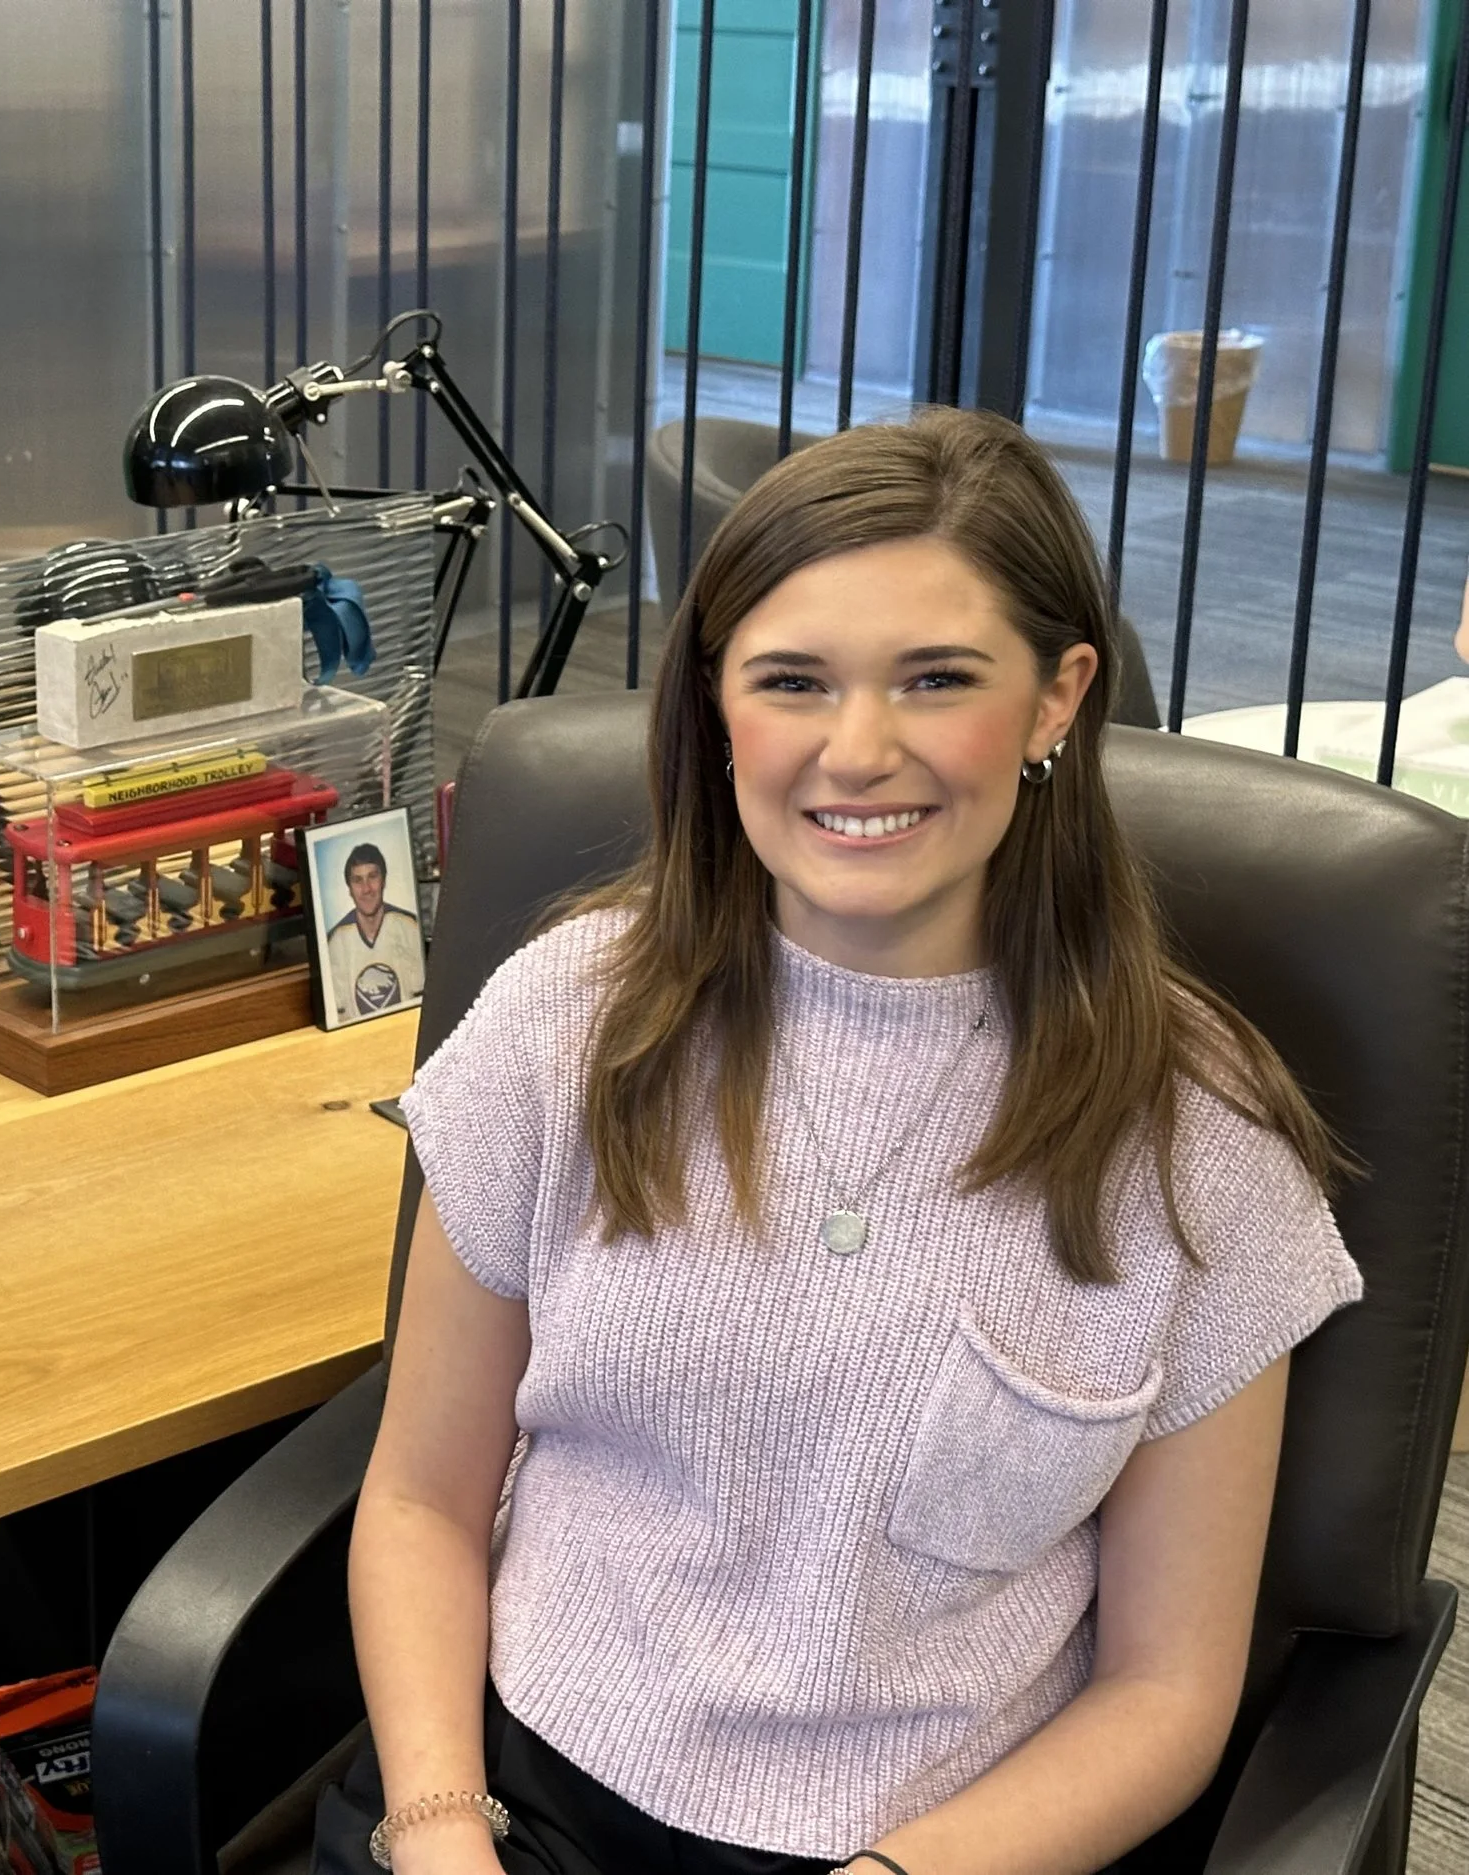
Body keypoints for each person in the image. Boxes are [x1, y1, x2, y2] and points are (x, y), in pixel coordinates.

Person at [325, 409, 1359, 1875]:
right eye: (792, 680)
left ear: (1060, 697)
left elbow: (1167, 1690)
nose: (856, 751)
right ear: (715, 698)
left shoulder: (1198, 1142)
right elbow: (426, 1497)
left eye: (937, 679)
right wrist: (438, 1836)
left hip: (942, 1845)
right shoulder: (570, 1023)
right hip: (514, 1787)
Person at [325, 839, 427, 1020]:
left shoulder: (409, 927)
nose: (366, 889)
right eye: (357, 880)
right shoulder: (334, 942)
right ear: (349, 888)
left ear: (384, 880)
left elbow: (423, 1004)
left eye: (372, 876)